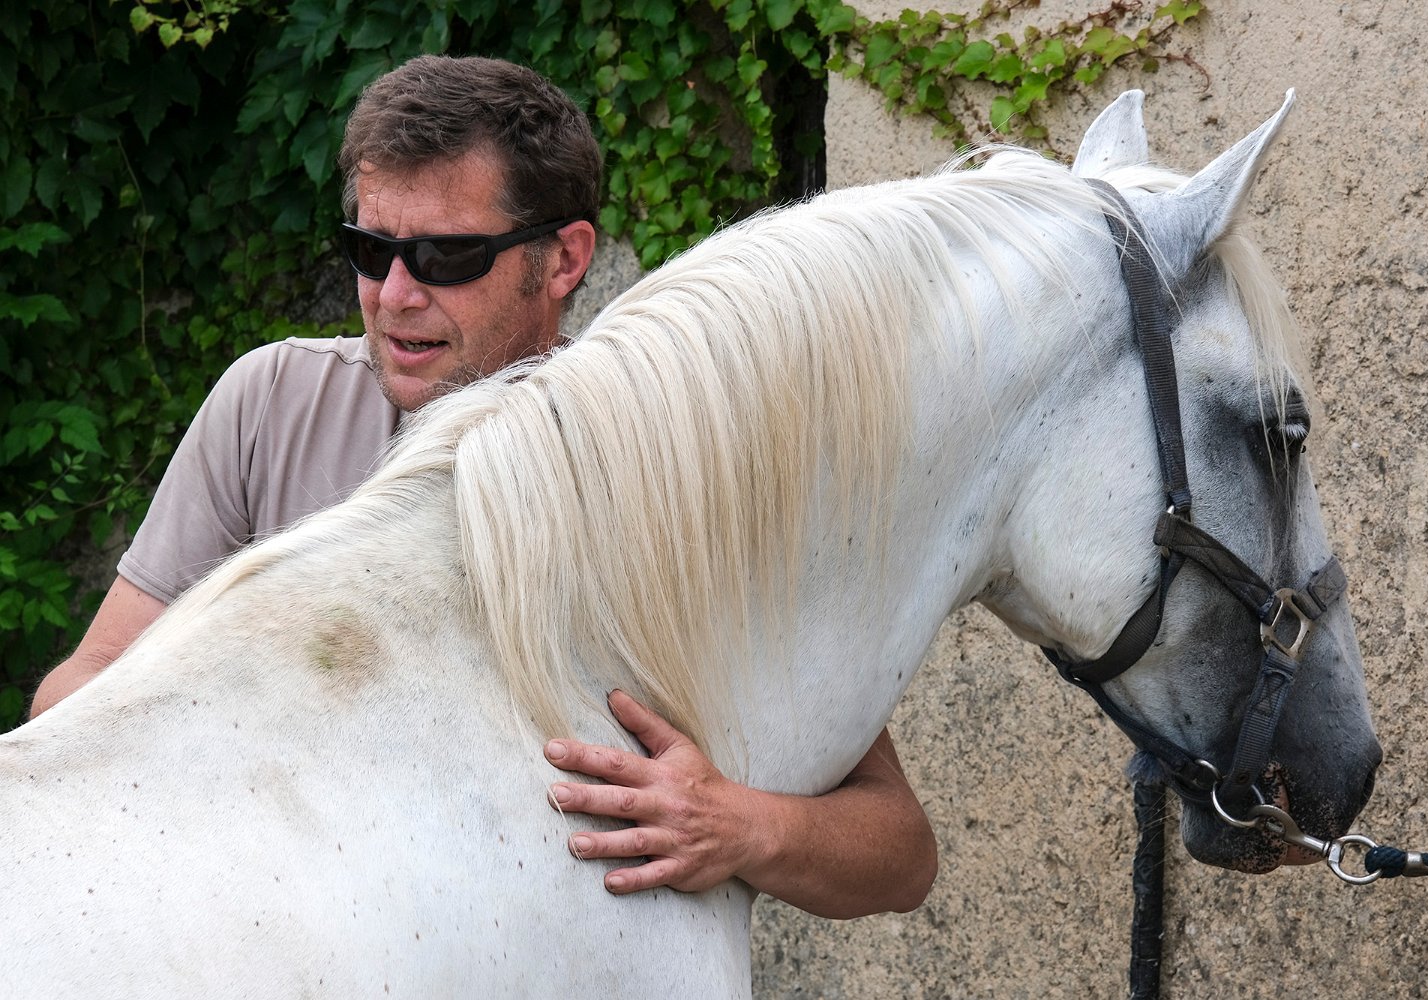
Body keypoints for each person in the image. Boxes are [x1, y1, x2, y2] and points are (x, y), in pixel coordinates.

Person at [30, 54, 937, 919]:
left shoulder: (674, 467)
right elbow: (79, 691)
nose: (393, 295)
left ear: (565, 260)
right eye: (368, 249)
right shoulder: (272, 399)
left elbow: (898, 850)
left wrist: (741, 826)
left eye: (446, 258)